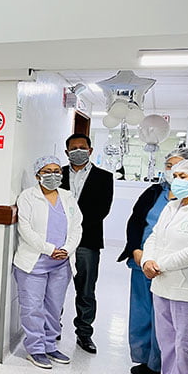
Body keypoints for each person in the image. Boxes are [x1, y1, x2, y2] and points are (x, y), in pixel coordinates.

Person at [117, 148, 188, 374]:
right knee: (142, 311)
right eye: (170, 166)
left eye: (179, 168)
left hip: (172, 268)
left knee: (166, 319)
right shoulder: (154, 192)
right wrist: (136, 250)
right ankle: (144, 359)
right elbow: (136, 222)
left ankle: (161, 364)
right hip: (142, 262)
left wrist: (163, 262)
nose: (173, 172)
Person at [139, 158, 188, 374]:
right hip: (162, 286)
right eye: (174, 176)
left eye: (183, 177)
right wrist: (147, 260)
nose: (176, 181)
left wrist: (160, 264)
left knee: (187, 345)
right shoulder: (171, 206)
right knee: (167, 342)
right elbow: (154, 237)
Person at [13, 156, 83, 369]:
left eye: (56, 171)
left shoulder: (67, 197)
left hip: (61, 263)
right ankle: (35, 349)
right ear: (37, 176)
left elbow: (77, 227)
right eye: (47, 171)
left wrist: (67, 249)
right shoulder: (27, 197)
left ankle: (50, 345)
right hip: (34, 263)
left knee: (54, 307)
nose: (53, 175)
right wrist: (50, 249)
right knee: (33, 307)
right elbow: (25, 229)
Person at [60, 133, 114, 354]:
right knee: (55, 287)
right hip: (59, 241)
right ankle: (52, 327)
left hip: (87, 241)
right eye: (73, 148)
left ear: (90, 150)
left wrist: (75, 227)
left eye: (82, 147)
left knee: (85, 290)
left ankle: (84, 333)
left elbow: (102, 210)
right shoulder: (58, 174)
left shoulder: (104, 177)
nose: (78, 151)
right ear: (67, 152)